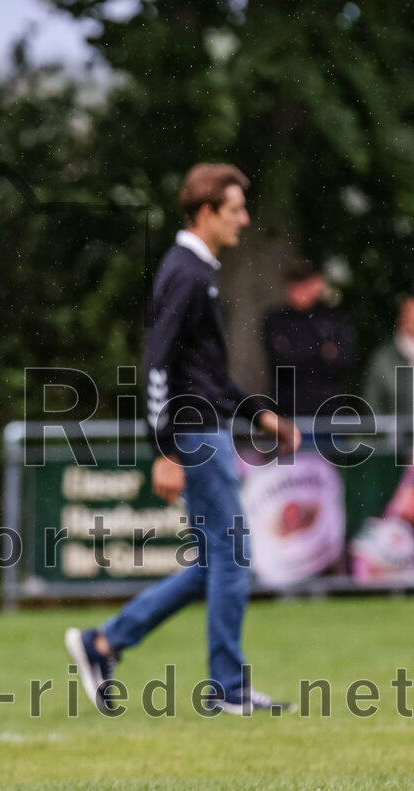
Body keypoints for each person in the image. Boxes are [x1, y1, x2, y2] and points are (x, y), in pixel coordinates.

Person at [65, 163, 301, 715]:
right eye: (236, 209)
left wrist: (258, 414)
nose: (244, 219)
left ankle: (104, 643)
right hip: (195, 436)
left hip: (208, 427)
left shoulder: (200, 270)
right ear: (206, 212)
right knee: (232, 557)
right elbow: (157, 365)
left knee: (214, 563)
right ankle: (229, 687)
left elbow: (206, 372)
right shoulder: (187, 272)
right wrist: (166, 450)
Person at [261, 259, 356, 417]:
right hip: (289, 410)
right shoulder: (277, 319)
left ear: (317, 284)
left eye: (304, 284)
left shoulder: (333, 319)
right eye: (294, 285)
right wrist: (322, 352)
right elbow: (282, 360)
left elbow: (345, 358)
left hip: (329, 411)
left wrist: (302, 352)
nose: (298, 291)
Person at [364, 293, 414, 424]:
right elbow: (372, 404)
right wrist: (387, 430)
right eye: (409, 313)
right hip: (397, 439)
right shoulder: (383, 359)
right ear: (401, 317)